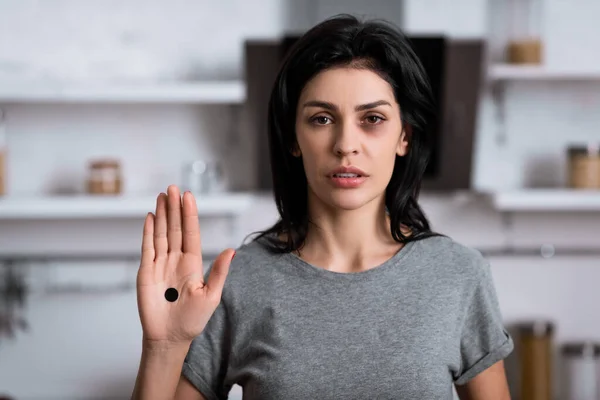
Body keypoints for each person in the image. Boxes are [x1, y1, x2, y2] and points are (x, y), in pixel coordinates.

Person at [131, 14, 514, 400]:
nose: (346, 143)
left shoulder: (459, 274)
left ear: (404, 137)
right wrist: (163, 347)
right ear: (294, 138)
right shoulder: (234, 281)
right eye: (322, 118)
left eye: (373, 118)